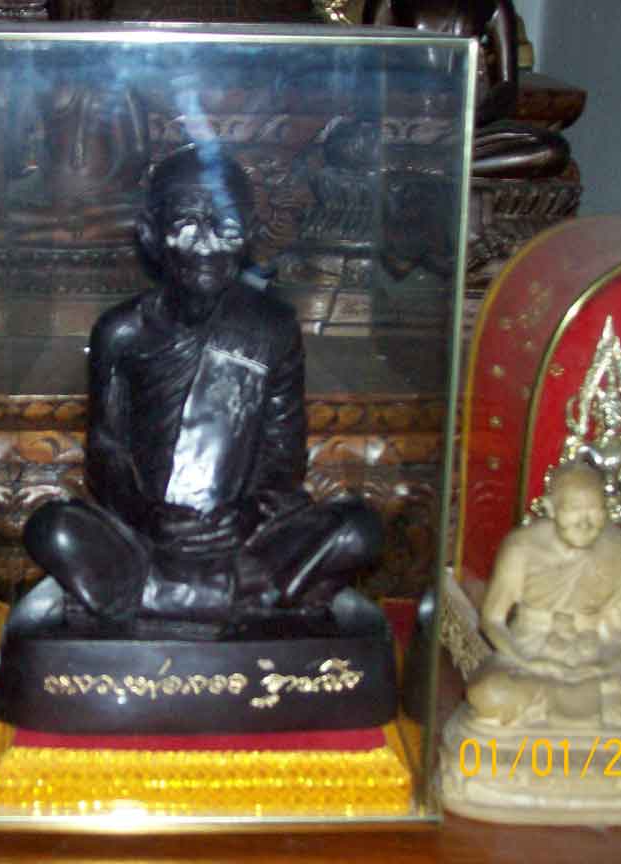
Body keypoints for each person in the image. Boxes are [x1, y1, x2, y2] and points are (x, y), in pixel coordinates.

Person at [21, 145, 382, 629]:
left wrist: (245, 516)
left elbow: (282, 459)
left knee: (357, 528)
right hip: (147, 536)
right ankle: (238, 595)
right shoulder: (121, 332)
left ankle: (153, 595)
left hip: (241, 537)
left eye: (225, 226)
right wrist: (147, 515)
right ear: (150, 233)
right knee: (52, 529)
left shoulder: (271, 327)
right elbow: (107, 454)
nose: (207, 245)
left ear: (249, 233)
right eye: (186, 224)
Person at [467, 462, 621, 729]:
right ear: (551, 508)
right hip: (531, 655)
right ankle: (573, 707)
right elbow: (493, 619)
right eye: (573, 510)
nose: (585, 523)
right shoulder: (522, 547)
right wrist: (527, 660)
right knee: (490, 695)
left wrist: (602, 663)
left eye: (595, 510)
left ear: (606, 509)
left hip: (596, 657)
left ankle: (550, 709)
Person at [366, 0, 570, 179]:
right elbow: (367, 77)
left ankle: (427, 164)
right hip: (401, 126)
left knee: (551, 151)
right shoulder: (390, 2)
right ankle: (439, 164)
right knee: (355, 144)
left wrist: (475, 114)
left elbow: (507, 88)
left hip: (460, 131)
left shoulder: (495, 5)